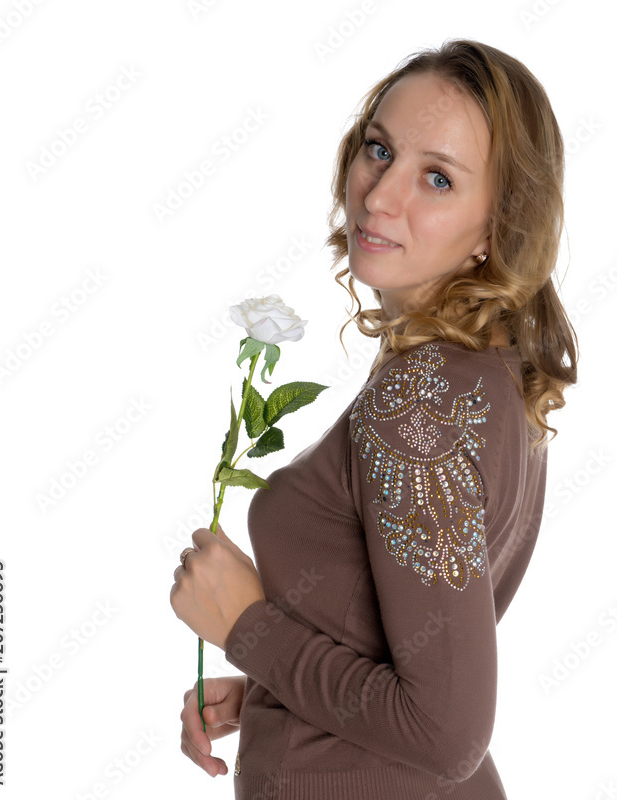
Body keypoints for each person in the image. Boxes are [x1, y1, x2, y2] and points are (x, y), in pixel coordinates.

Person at [170, 38, 578, 799]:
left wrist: (249, 628)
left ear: (496, 228)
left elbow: (446, 732)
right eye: (380, 150)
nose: (381, 195)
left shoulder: (418, 404)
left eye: (437, 178)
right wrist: (270, 686)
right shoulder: (484, 370)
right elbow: (406, 643)